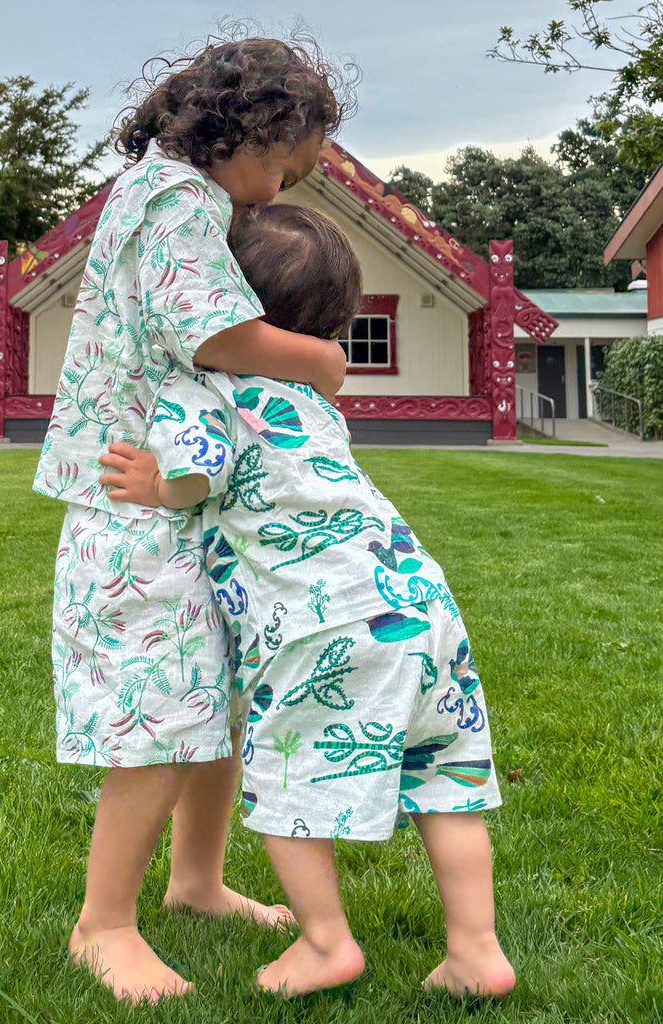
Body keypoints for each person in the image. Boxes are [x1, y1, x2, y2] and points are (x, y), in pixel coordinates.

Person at [99, 204, 516, 999]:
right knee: (446, 780)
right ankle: (476, 951)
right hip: (418, 600)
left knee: (288, 779)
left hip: (320, 621)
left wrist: (157, 485)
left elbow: (197, 472)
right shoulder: (311, 390)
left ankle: (326, 942)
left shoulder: (203, 387)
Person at [33, 39, 352, 1002]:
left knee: (209, 699)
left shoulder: (172, 195)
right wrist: (319, 360)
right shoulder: (176, 200)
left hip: (174, 487)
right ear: (255, 129)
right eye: (285, 172)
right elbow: (211, 330)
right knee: (159, 718)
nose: (274, 198)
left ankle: (198, 882)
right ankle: (103, 924)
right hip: (138, 499)